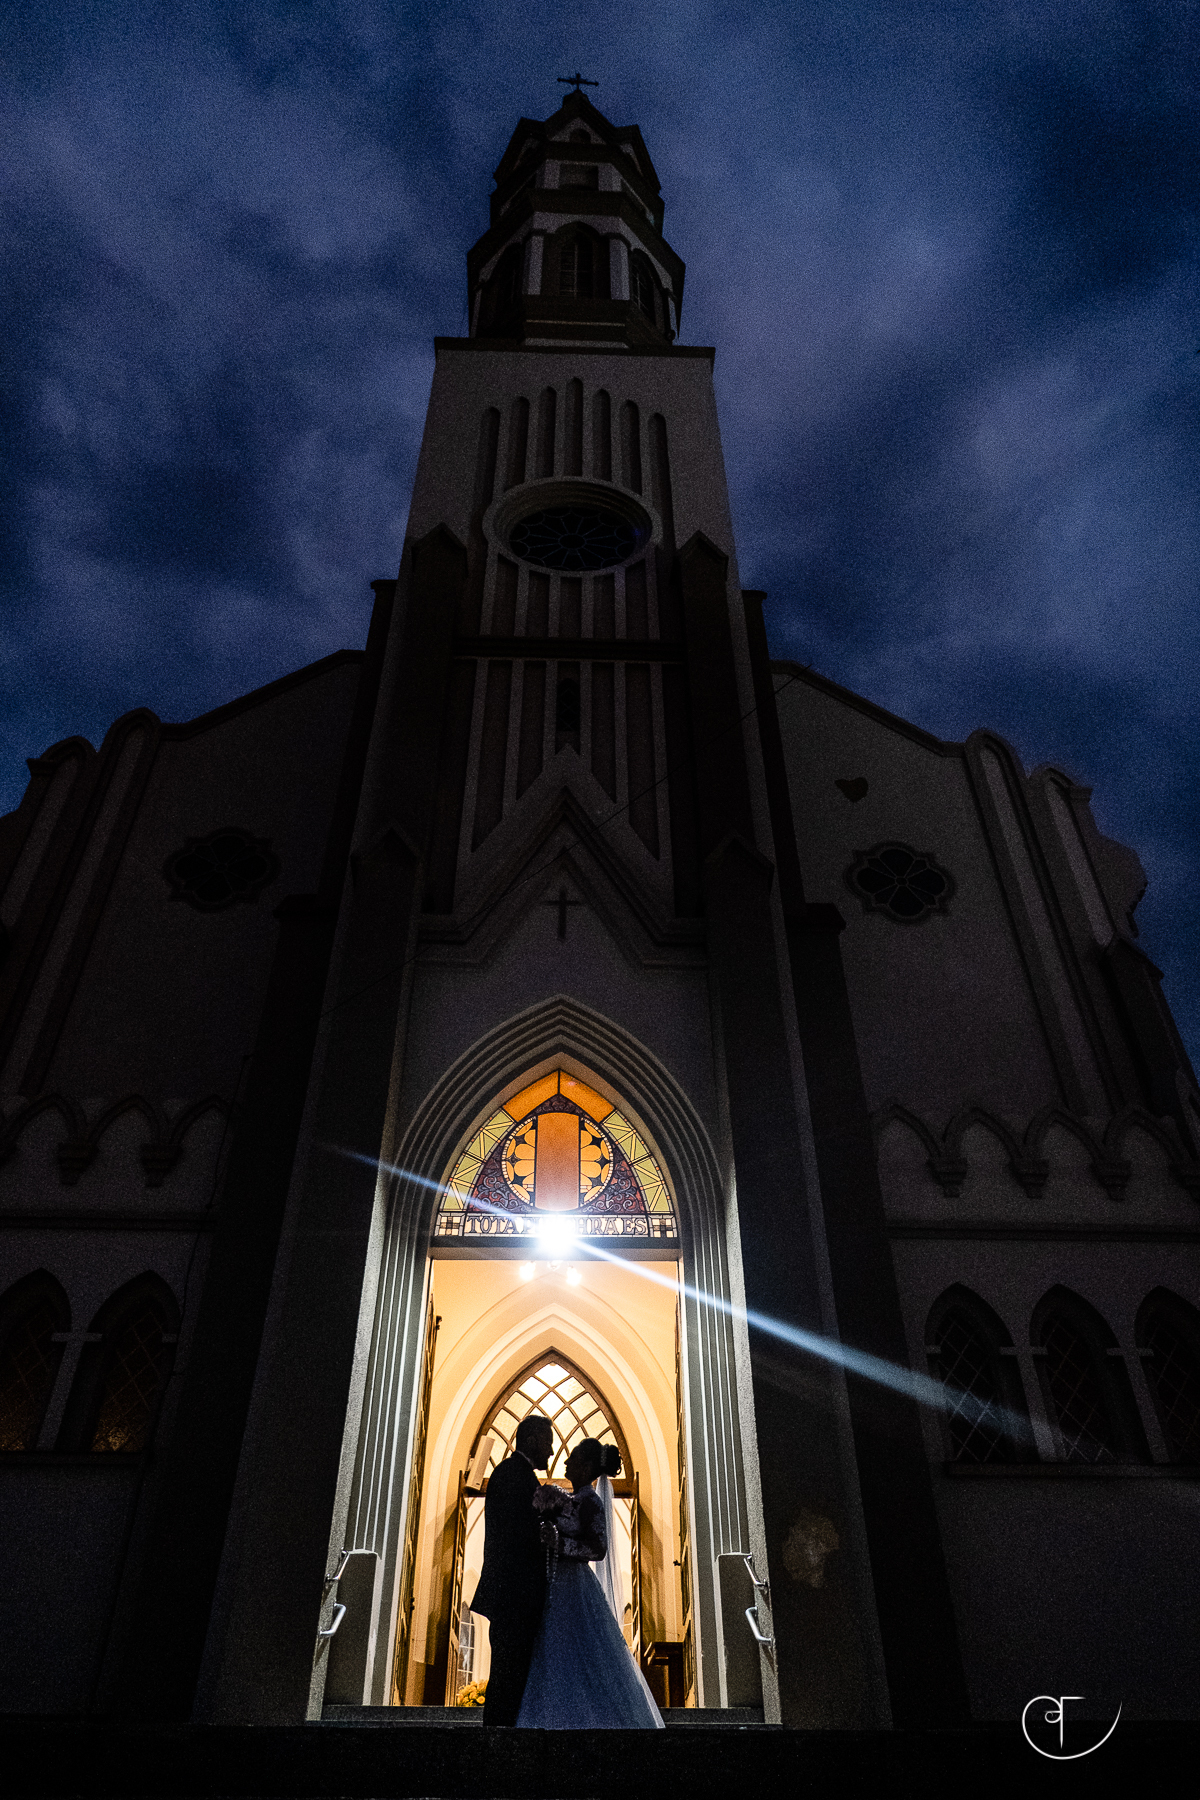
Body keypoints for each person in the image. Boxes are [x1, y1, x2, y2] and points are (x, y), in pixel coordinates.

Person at [515, 1438, 664, 1729]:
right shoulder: (570, 1500)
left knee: (578, 1646)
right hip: (554, 1582)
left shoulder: (591, 1502)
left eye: (572, 1458)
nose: (566, 1462)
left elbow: (598, 1550)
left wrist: (559, 1544)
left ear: (584, 1467)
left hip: (575, 1584)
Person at [469, 1412, 554, 1727]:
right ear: (531, 1440)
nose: (551, 1450)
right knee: (509, 1671)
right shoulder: (512, 1475)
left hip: (515, 1595)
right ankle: (499, 1736)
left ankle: (505, 1730)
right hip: (514, 1595)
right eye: (547, 1442)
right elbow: (518, 1535)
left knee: (514, 1671)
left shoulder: (516, 1474)